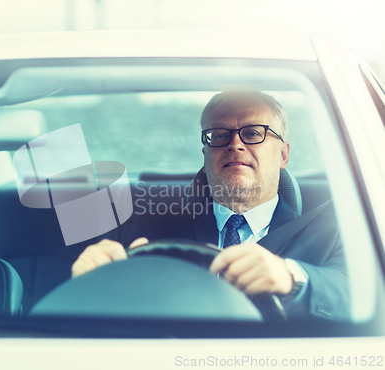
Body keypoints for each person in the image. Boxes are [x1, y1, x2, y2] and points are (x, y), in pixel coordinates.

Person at [71, 91, 349, 320]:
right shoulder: (156, 226)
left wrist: (291, 278)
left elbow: (357, 296)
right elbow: (127, 307)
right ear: (205, 153)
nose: (235, 144)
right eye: (218, 135)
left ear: (283, 154)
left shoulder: (333, 232)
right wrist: (95, 283)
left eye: (253, 133)